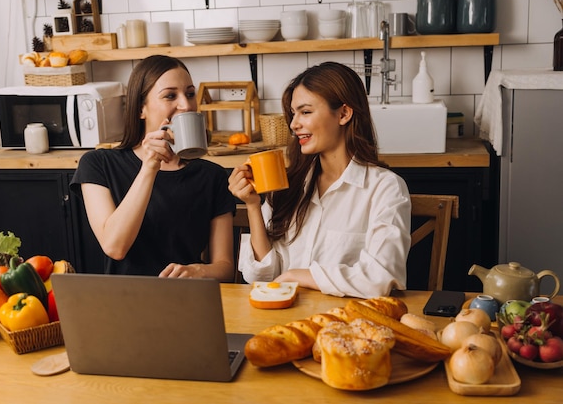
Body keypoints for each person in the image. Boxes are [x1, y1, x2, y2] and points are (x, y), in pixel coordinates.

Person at [228, 61, 411, 297]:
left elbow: (381, 277)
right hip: (283, 320)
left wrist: (300, 275)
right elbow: (261, 277)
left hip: (345, 323)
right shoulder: (288, 184)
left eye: (305, 112)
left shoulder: (385, 188)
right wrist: (253, 206)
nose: (294, 125)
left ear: (343, 114)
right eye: (293, 114)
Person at [70, 55, 236, 280]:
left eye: (189, 94)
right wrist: (149, 168)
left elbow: (225, 268)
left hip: (187, 300)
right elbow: (115, 247)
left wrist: (199, 270)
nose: (186, 105)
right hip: (126, 303)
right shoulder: (98, 164)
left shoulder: (211, 175)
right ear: (141, 109)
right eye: (170, 96)